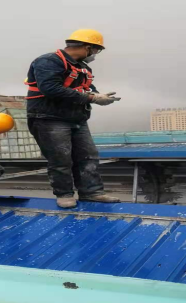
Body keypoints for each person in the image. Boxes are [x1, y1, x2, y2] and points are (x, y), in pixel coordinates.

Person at [25, 29, 121, 208]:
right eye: (96, 50)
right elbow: (50, 88)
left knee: (88, 156)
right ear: (87, 47)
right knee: (60, 158)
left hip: (76, 118)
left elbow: (85, 87)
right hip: (49, 117)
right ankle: (64, 194)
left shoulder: (83, 67)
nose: (95, 54)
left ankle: (92, 192)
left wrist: (98, 95)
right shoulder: (48, 61)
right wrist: (92, 98)